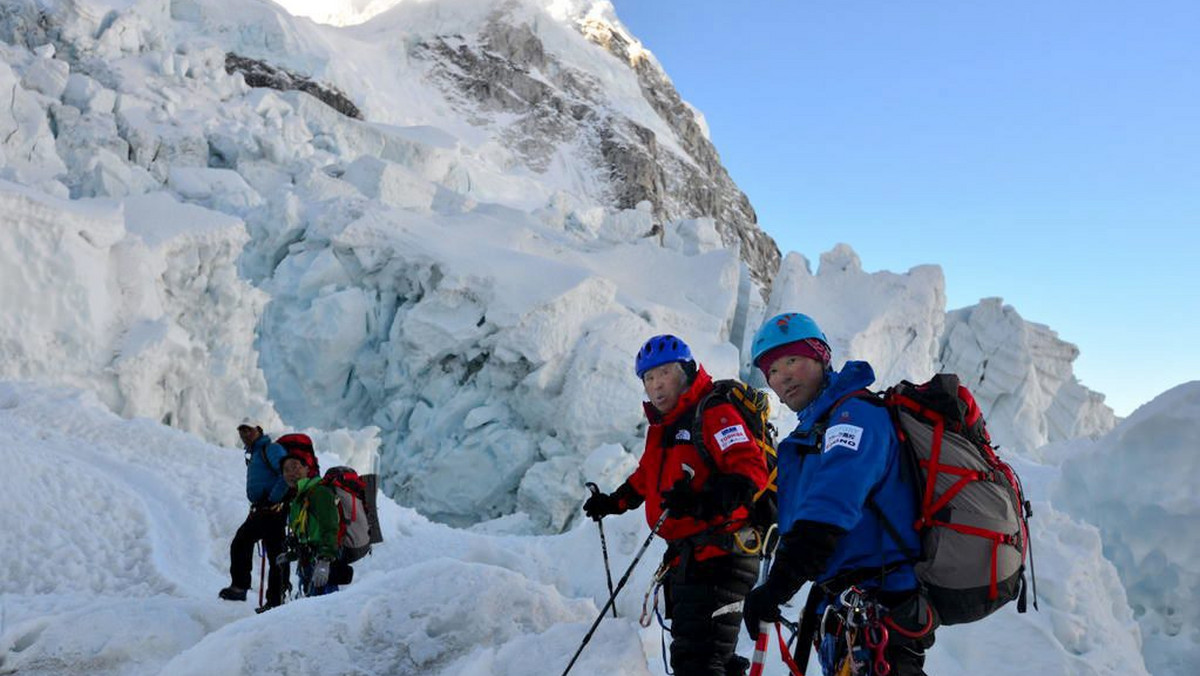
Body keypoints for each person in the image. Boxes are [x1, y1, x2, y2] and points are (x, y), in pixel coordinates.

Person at [740, 313, 938, 676]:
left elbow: (829, 509)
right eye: (771, 371)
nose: (782, 377)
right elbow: (803, 519)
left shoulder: (854, 415)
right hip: (848, 605)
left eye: (792, 360)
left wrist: (778, 587)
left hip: (883, 601)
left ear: (820, 356)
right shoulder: (816, 429)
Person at [583, 335, 768, 676]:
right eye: (649, 378)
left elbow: (750, 471)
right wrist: (613, 502)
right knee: (706, 660)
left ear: (685, 372)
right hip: (691, 560)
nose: (656, 385)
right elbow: (645, 478)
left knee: (697, 662)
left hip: (720, 558)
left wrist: (702, 503)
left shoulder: (713, 412)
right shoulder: (664, 428)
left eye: (664, 373)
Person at [219, 422, 290, 611]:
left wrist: (274, 499)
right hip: (263, 509)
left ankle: (243, 588)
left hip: (271, 509)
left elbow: (286, 473)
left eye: (248, 430)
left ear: (259, 430)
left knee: (244, 542)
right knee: (274, 552)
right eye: (241, 430)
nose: (244, 434)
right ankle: (274, 600)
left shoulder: (271, 449)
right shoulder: (257, 452)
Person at [279, 455, 343, 598]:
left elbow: (330, 526)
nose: (291, 473)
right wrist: (292, 555)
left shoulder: (319, 492)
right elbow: (308, 533)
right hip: (309, 562)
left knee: (325, 608)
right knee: (314, 609)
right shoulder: (299, 497)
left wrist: (325, 561)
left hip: (321, 561)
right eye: (286, 470)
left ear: (307, 469)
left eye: (295, 466)